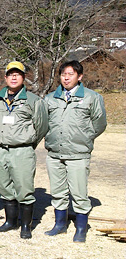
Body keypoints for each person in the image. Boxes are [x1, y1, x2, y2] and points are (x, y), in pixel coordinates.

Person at [43, 60, 107, 243]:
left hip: (78, 154)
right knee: (58, 191)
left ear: (79, 77)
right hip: (54, 153)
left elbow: (100, 124)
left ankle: (80, 228)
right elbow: (44, 123)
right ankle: (60, 224)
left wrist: (85, 138)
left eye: (70, 74)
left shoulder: (91, 97)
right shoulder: (50, 98)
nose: (66, 77)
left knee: (79, 193)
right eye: (63, 74)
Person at [0, 61, 48, 239]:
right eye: (11, 74)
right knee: (4, 187)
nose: (14, 77)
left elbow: (42, 126)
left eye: (18, 74)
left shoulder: (33, 100)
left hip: (22, 150)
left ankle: (26, 226)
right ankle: (10, 221)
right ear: (6, 77)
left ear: (23, 78)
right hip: (0, 150)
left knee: (24, 188)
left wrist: (29, 142)